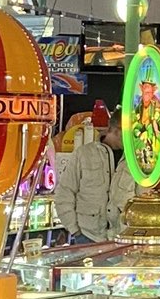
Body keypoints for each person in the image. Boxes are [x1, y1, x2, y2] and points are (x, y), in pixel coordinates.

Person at [54, 102, 135, 243]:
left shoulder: (136, 160)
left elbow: (143, 197)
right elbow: (64, 194)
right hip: (88, 237)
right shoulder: (84, 154)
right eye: (127, 132)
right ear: (114, 129)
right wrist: (75, 231)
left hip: (124, 237)